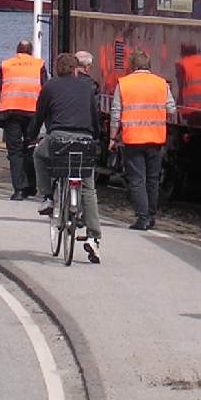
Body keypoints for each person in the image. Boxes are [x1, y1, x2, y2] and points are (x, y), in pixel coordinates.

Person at [33, 53, 103, 263]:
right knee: (88, 186)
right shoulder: (87, 87)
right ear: (75, 69)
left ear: (57, 69)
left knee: (39, 155)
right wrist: (96, 137)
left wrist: (30, 136)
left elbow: (39, 115)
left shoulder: (50, 86)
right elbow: (95, 116)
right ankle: (93, 237)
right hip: (84, 140)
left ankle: (47, 197)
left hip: (58, 139)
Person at [111, 50, 176, 231]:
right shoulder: (161, 83)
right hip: (155, 138)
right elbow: (171, 109)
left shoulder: (124, 84)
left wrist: (112, 137)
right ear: (148, 65)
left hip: (133, 139)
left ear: (132, 65)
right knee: (153, 179)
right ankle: (152, 216)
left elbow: (116, 113)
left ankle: (142, 217)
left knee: (137, 179)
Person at [0, 40, 46, 200]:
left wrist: (9, 99)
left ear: (17, 51)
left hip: (10, 112)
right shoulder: (39, 65)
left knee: (14, 152)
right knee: (30, 148)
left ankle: (19, 190)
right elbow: (45, 89)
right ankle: (31, 186)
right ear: (31, 51)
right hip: (32, 113)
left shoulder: (6, 65)